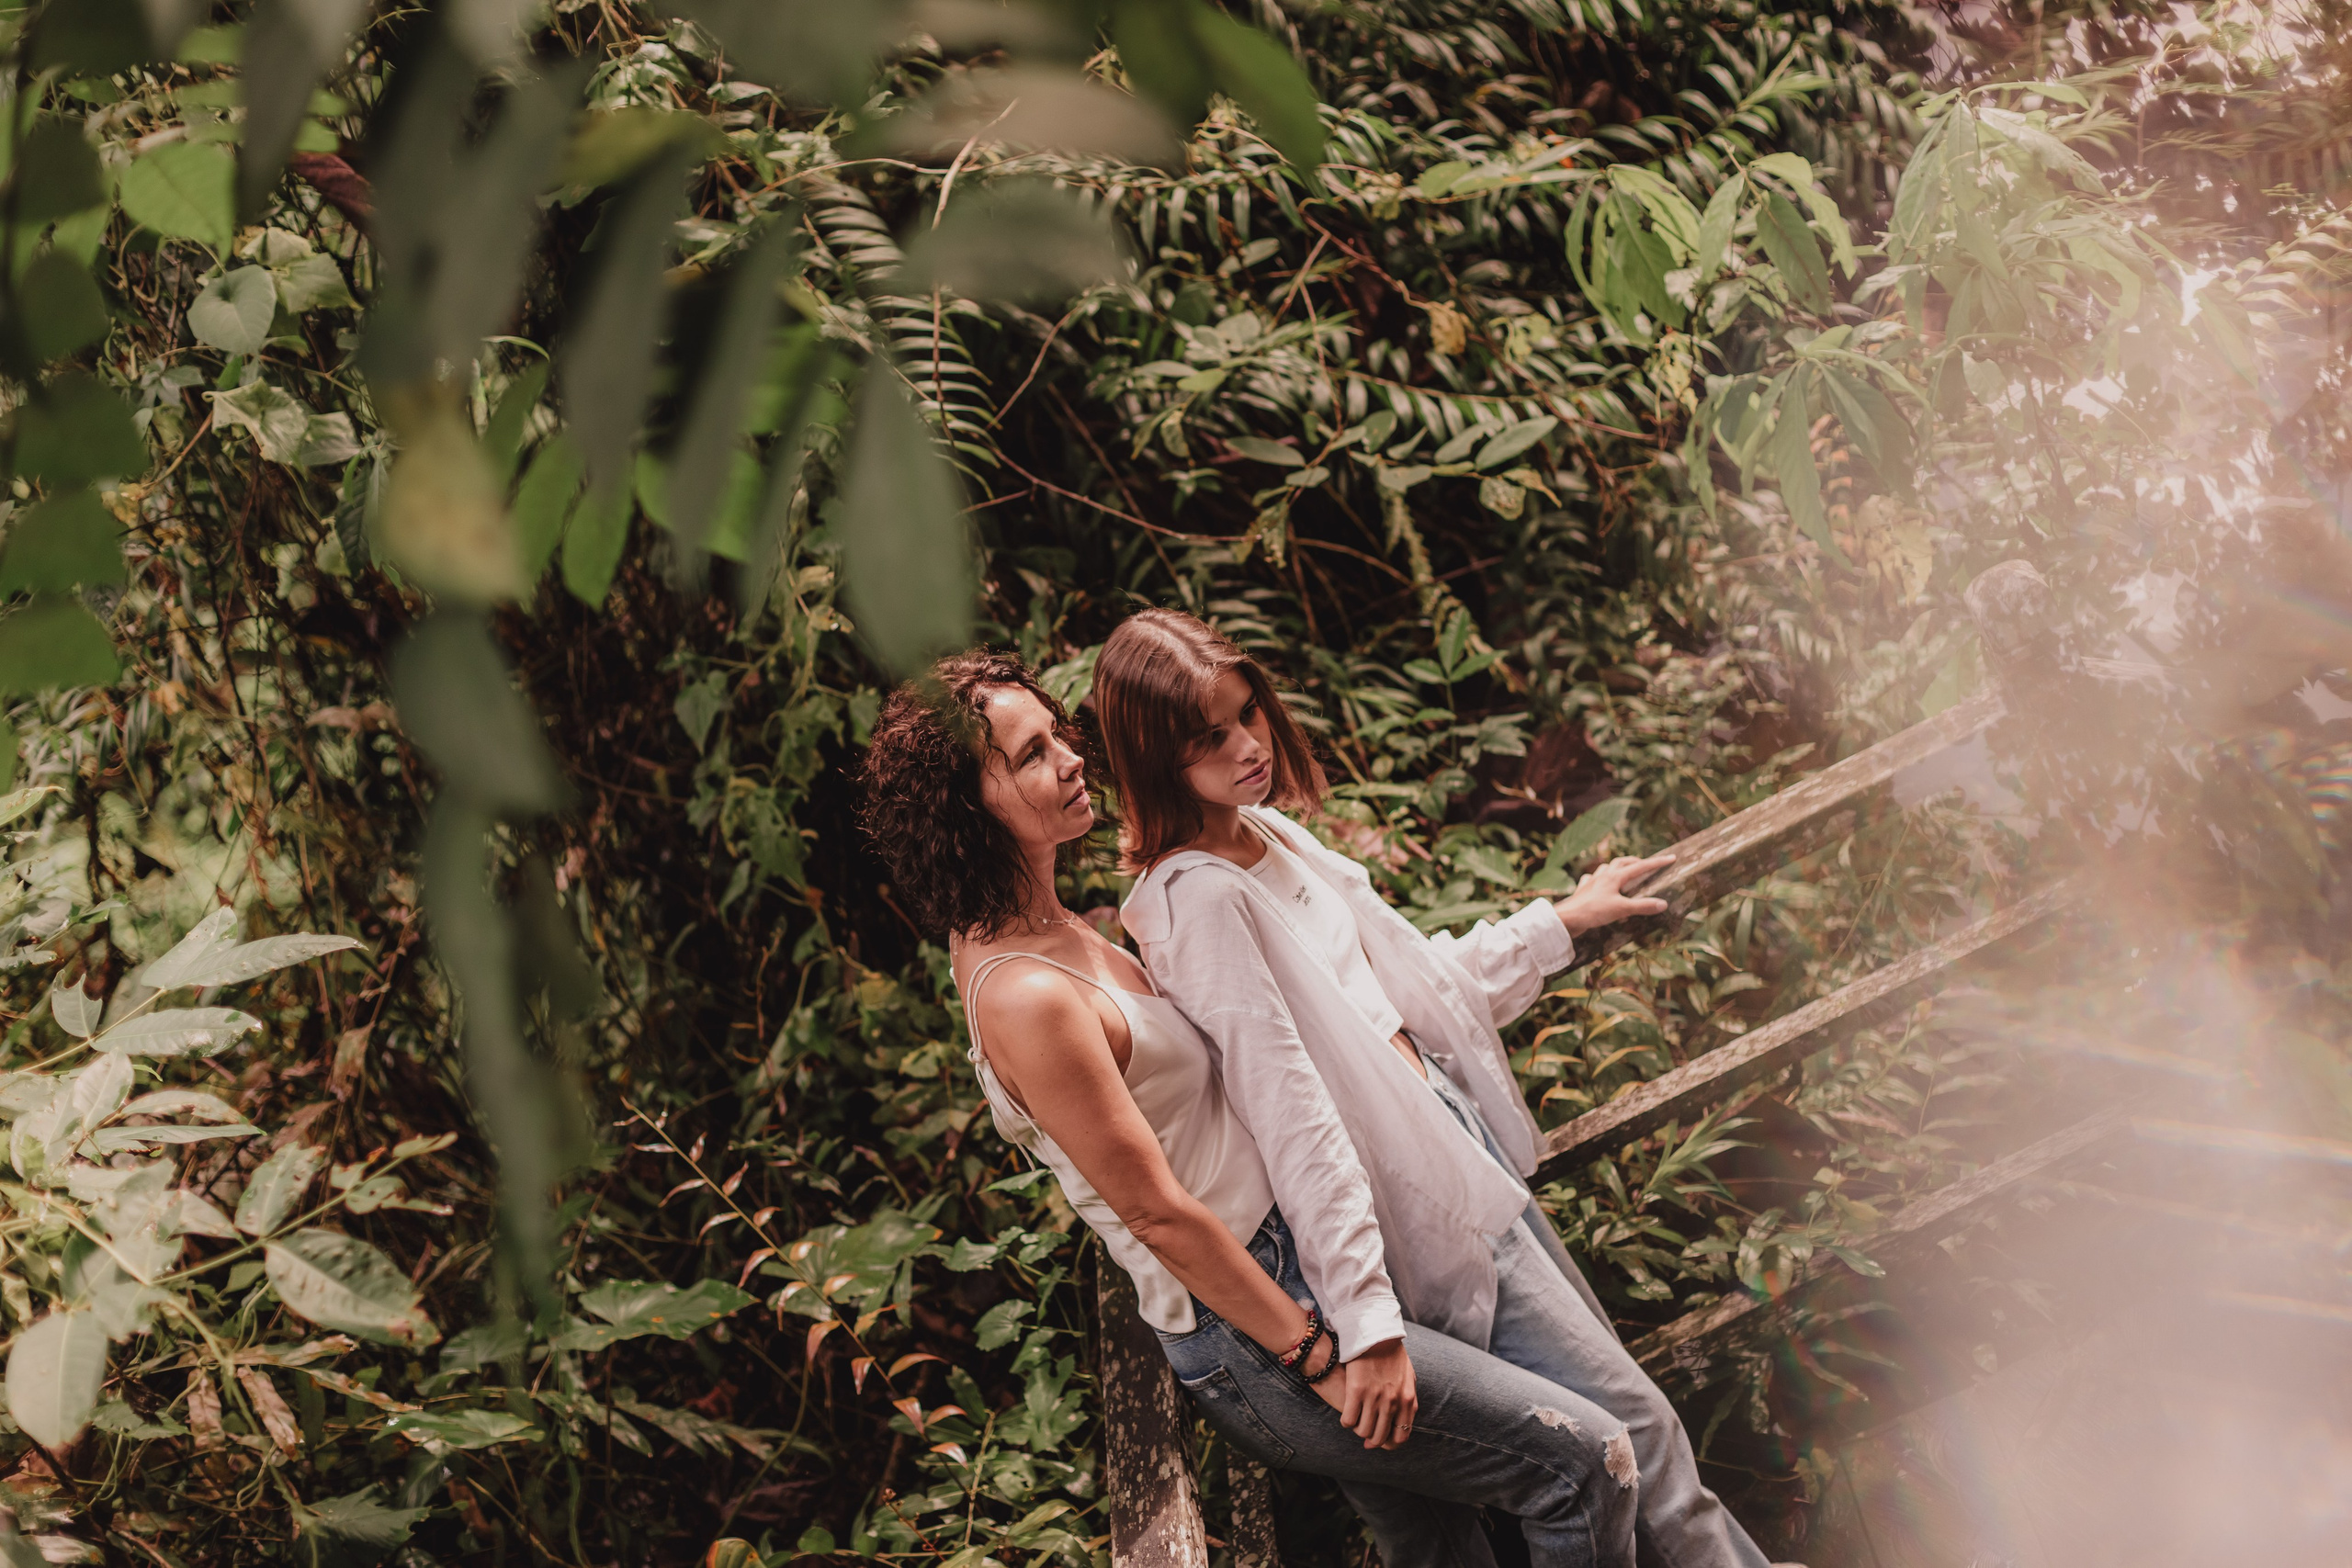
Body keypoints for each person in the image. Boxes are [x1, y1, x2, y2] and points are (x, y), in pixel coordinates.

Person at [858, 650, 1639, 1568]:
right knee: (1584, 1461)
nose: (1070, 758)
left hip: (1294, 1262)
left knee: (1443, 1552)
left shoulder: (1061, 923)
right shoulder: (1022, 995)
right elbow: (1154, 1211)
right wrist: (1319, 1351)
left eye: (1055, 733)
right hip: (1261, 1320)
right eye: (1030, 756)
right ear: (965, 810)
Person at [1093, 608, 1780, 1568]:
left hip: (1452, 1150)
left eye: (1247, 712)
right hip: (1406, 1199)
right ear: (1158, 758)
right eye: (1210, 737)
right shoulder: (1196, 901)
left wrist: (1561, 923)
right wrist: (1364, 1315)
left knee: (1586, 1464)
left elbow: (1406, 992)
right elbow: (1288, 1110)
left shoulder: (1269, 834)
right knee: (1634, 1440)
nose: (1247, 745)